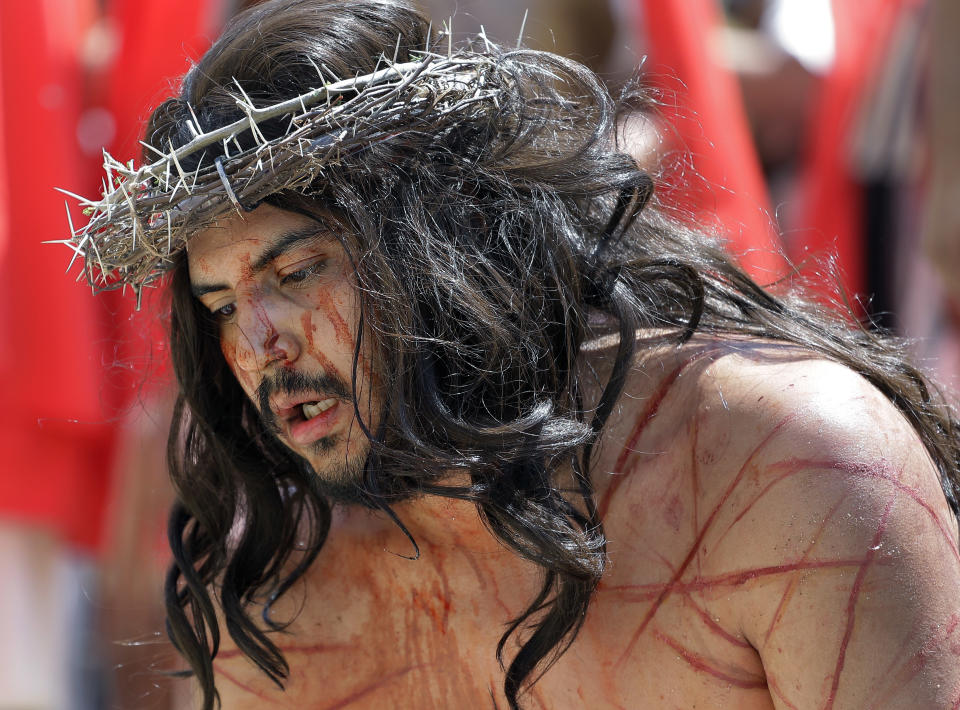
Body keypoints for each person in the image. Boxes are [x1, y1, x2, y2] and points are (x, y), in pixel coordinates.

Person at [62, 0, 960, 707]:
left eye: (296, 270)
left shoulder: (784, 468)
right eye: (220, 306)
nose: (256, 346)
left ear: (441, 242)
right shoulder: (281, 589)